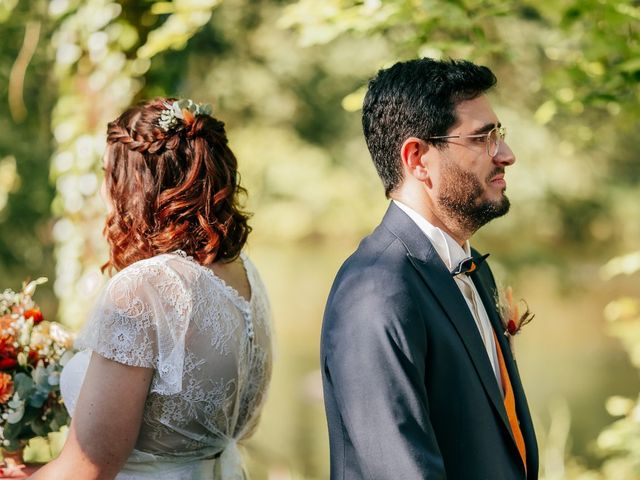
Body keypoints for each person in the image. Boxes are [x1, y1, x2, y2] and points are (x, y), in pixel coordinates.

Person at [321, 58, 538, 479]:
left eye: (501, 135)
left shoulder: (473, 269)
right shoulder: (376, 291)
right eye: (482, 138)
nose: (506, 155)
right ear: (417, 159)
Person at [32, 98, 272, 480]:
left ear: (131, 187)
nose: (102, 193)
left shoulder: (144, 288)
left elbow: (87, 469)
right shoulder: (244, 273)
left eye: (106, 175)